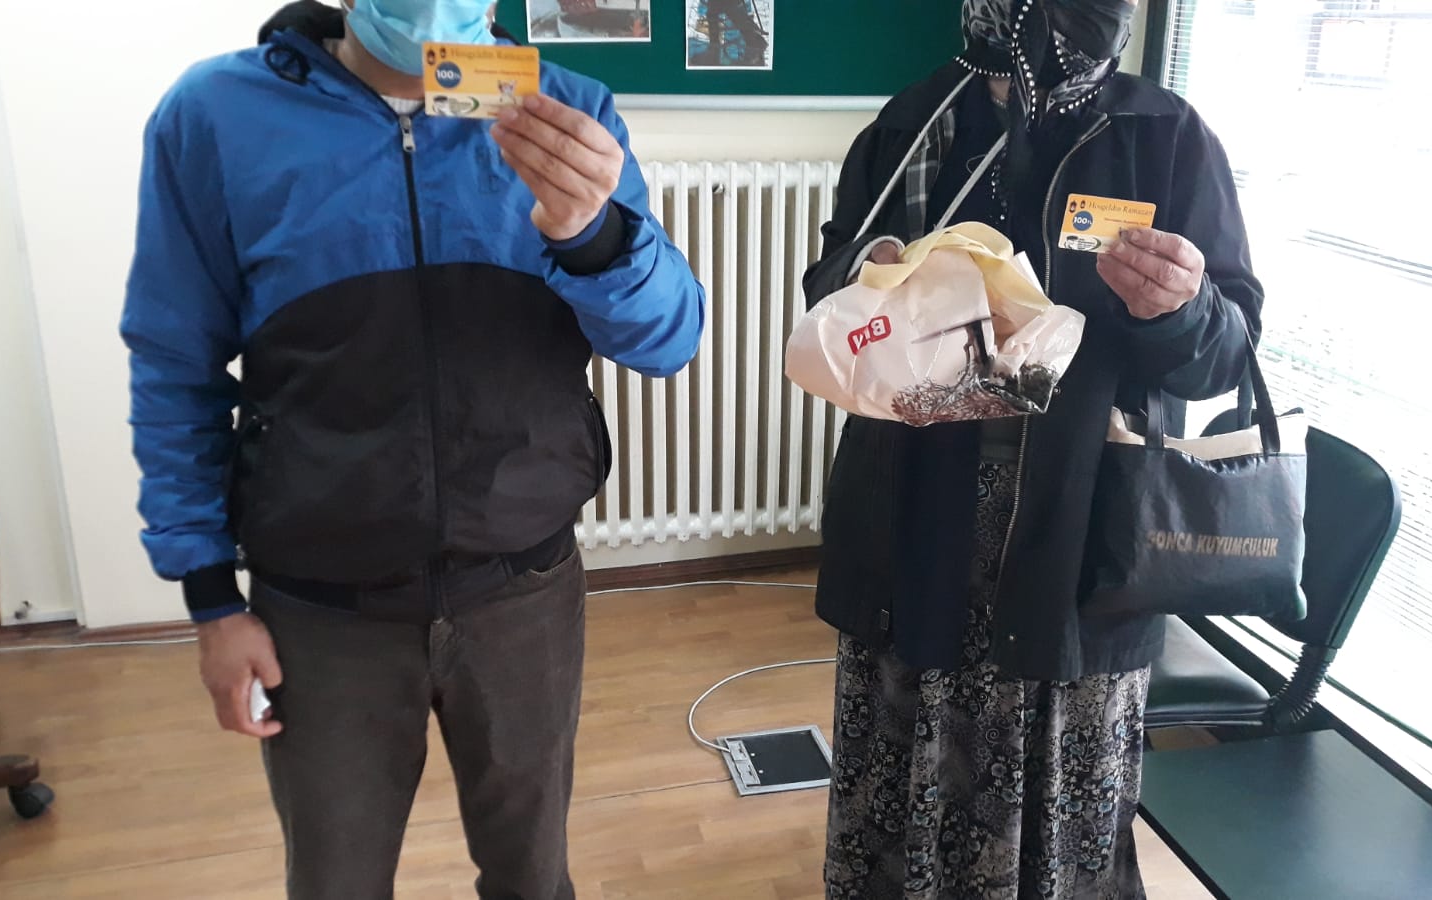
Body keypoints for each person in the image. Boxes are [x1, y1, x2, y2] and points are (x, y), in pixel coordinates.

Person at [120, 1, 704, 897]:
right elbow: (173, 363)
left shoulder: (565, 110)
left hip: (523, 589)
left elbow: (668, 340)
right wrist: (209, 601)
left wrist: (595, 237)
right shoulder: (215, 116)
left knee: (533, 876)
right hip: (320, 608)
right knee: (336, 879)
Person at [803, 0, 1261, 896]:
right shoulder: (917, 122)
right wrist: (870, 274)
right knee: (905, 774)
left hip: (1081, 544)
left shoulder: (1162, 136)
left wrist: (1181, 308)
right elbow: (829, 295)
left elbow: (1227, 356)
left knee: (1060, 816)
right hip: (913, 523)